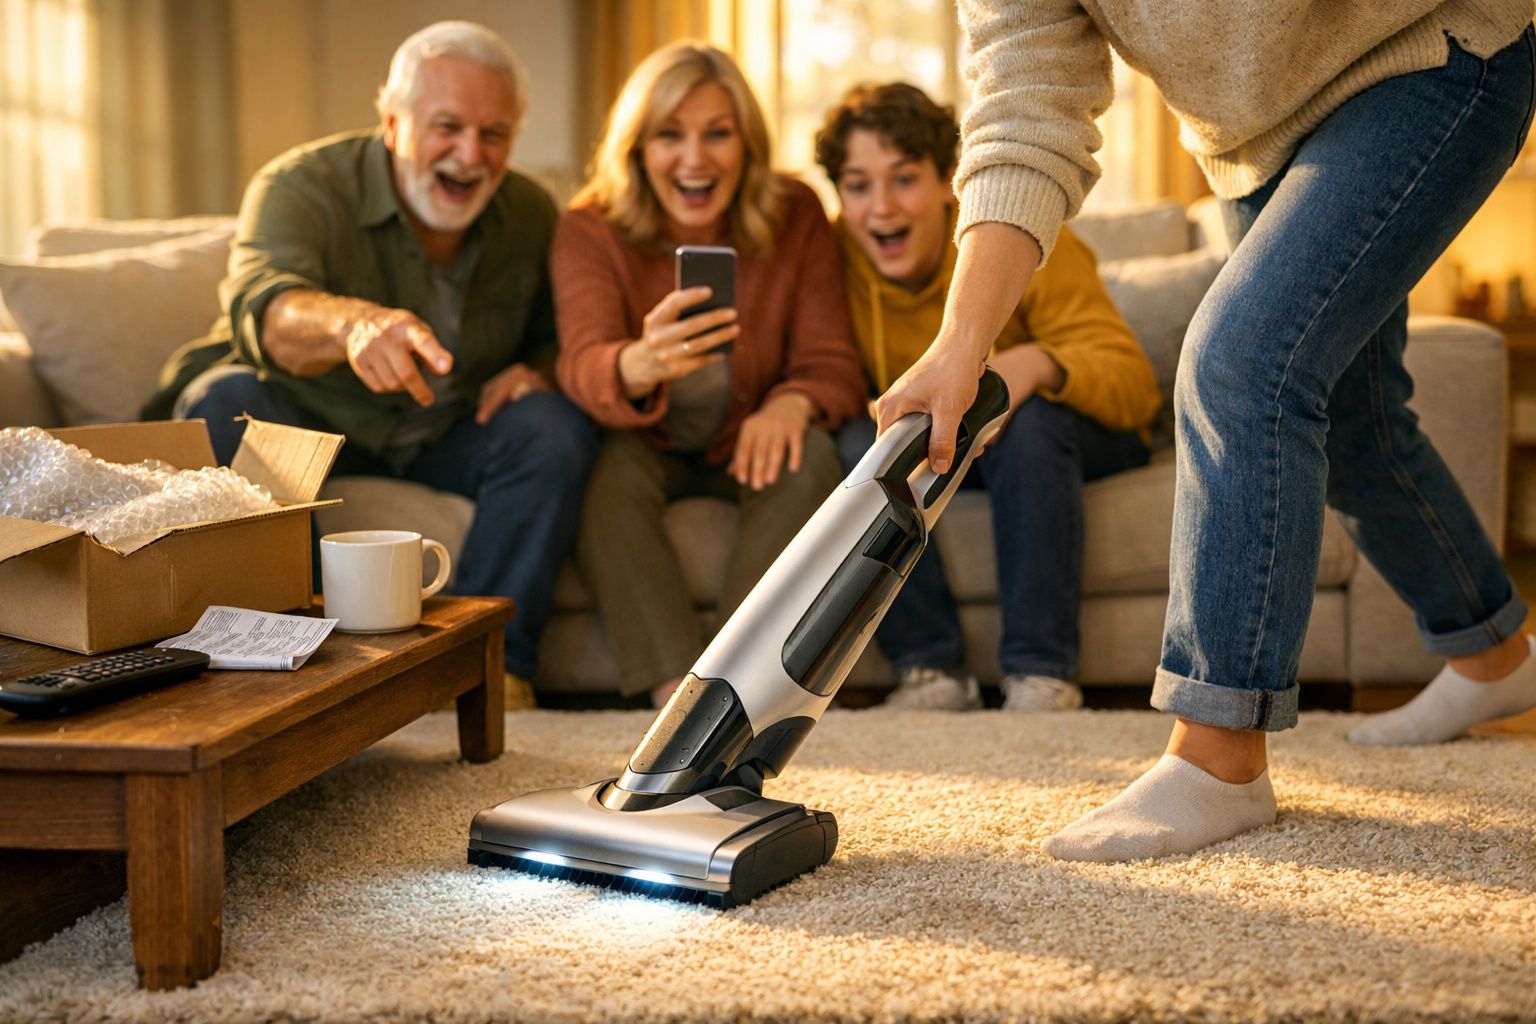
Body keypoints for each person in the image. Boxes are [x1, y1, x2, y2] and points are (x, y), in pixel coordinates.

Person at [877, 3, 1536, 861]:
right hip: (1256, 145)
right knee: (1358, 428)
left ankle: (1218, 758)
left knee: (1240, 363)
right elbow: (1026, 108)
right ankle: (1496, 659)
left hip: (1429, 57)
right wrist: (963, 342)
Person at [144, 21, 597, 685]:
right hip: (311, 415)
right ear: (393, 122)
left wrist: (541, 368)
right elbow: (267, 306)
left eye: (494, 133)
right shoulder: (302, 184)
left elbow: (562, 335)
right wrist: (353, 325)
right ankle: (284, 675)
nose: (470, 155)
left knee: (554, 427)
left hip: (444, 430)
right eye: (447, 126)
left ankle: (482, 671)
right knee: (226, 399)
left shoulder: (528, 212)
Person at [815, 81, 1160, 712]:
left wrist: (1032, 364)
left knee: (1026, 422)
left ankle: (1041, 673)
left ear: (949, 180)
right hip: (949, 451)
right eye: (858, 185)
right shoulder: (833, 259)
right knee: (851, 440)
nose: (881, 208)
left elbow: (1136, 388)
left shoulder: (1020, 238)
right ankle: (930, 670)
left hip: (1059, 439)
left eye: (904, 179)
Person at [553, 41, 866, 707]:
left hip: (748, 434)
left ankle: (734, 684)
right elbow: (579, 362)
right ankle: (676, 694)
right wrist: (635, 364)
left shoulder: (796, 211)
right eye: (670, 135)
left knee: (806, 455)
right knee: (601, 476)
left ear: (747, 144)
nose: (695, 159)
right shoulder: (590, 226)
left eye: (717, 134)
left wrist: (793, 402)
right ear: (638, 147)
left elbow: (833, 362)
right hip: (646, 436)